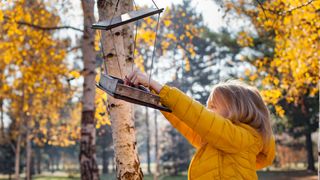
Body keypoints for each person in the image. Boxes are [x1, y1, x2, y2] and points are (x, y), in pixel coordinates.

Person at [125, 68, 275, 180]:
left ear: (237, 110)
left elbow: (200, 116)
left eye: (213, 106)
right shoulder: (215, 139)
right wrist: (154, 95)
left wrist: (158, 86)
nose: (207, 110)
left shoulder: (243, 138)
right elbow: (188, 120)